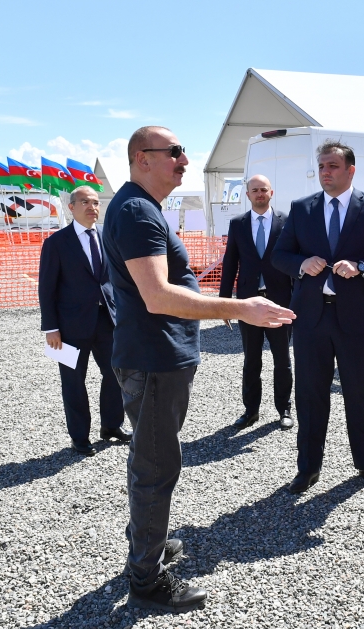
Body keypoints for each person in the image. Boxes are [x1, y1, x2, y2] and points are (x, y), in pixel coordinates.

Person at [103, 126, 294, 614]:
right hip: (153, 361)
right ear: (142, 158)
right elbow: (158, 296)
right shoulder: (136, 211)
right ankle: (146, 579)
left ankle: (147, 540)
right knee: (155, 467)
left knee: (152, 459)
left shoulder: (141, 207)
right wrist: (242, 307)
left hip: (157, 359)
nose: (185, 160)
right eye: (174, 152)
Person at [271, 139, 364, 495]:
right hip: (311, 319)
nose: (325, 172)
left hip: (355, 319)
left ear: (350, 170)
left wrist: (361, 266)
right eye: (321, 166)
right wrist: (302, 263)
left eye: (332, 166)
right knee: (309, 396)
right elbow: (280, 256)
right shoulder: (302, 208)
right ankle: (308, 469)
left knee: (359, 394)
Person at [38, 185, 130, 456]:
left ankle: (111, 426)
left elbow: (116, 280)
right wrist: (51, 328)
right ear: (71, 207)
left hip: (107, 322)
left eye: (96, 202)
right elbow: (46, 288)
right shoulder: (56, 243)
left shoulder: (107, 238)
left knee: (116, 374)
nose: (93, 207)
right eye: (85, 202)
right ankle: (79, 437)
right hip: (68, 328)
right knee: (73, 382)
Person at [219, 174, 294, 430]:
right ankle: (251, 411)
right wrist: (224, 303)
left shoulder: (286, 221)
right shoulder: (238, 224)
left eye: (264, 189)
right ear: (248, 194)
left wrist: (299, 300)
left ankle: (284, 409)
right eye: (255, 190)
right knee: (251, 360)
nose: (259, 194)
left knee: (282, 359)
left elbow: (294, 260)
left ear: (271, 193)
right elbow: (230, 263)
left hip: (279, 301)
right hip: (248, 302)